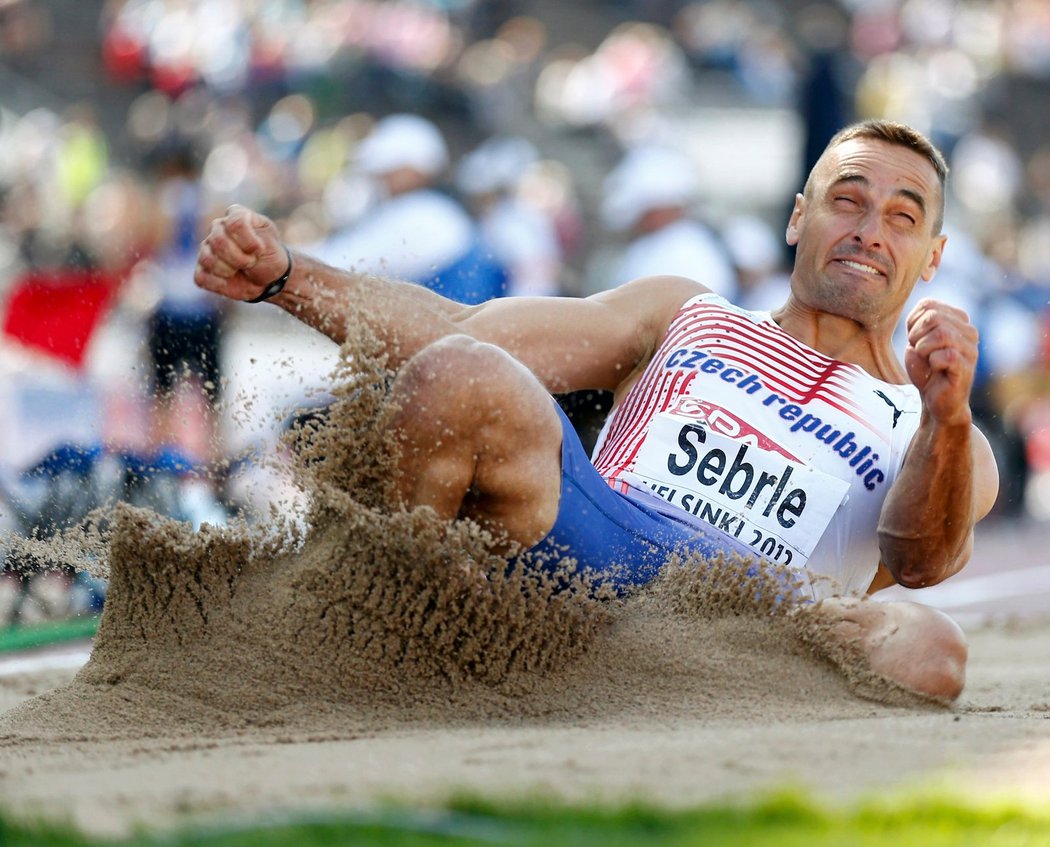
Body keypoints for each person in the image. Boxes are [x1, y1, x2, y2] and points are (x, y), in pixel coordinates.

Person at [195, 120, 999, 702]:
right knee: (461, 374)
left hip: (758, 618)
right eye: (847, 201)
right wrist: (286, 276)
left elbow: (921, 561)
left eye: (902, 217)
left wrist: (948, 417)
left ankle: (651, 685)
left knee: (931, 650)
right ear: (798, 217)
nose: (867, 231)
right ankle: (385, 653)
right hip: (604, 544)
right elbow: (459, 331)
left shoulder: (933, 423)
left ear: (932, 257)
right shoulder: (683, 312)